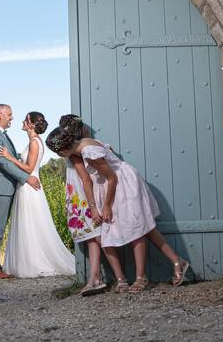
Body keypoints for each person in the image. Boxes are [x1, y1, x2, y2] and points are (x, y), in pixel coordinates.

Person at [47, 114, 190, 293]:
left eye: (57, 153)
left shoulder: (89, 153)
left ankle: (141, 278)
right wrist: (95, 206)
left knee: (138, 229)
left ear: (63, 150)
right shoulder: (82, 146)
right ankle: (178, 261)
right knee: (132, 231)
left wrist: (106, 206)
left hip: (122, 185)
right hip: (109, 187)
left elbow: (112, 178)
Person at [0, 112, 75, 277]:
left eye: (26, 120)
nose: (22, 122)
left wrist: (10, 157)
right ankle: (26, 260)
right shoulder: (34, 141)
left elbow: (29, 168)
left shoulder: (34, 142)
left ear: (31, 124)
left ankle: (33, 262)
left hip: (29, 186)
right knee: (29, 223)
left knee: (30, 223)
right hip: (27, 185)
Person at [46, 123, 107, 296]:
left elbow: (86, 180)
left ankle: (118, 277)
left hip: (85, 201)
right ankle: (95, 278)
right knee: (92, 239)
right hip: (80, 201)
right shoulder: (73, 153)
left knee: (100, 238)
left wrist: (91, 206)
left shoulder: (75, 155)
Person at [0, 104, 41, 279]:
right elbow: (3, 163)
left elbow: (11, 160)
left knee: (2, 227)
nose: (12, 118)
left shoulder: (1, 135)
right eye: (9, 115)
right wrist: (26, 177)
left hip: (7, 186)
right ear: (0, 115)